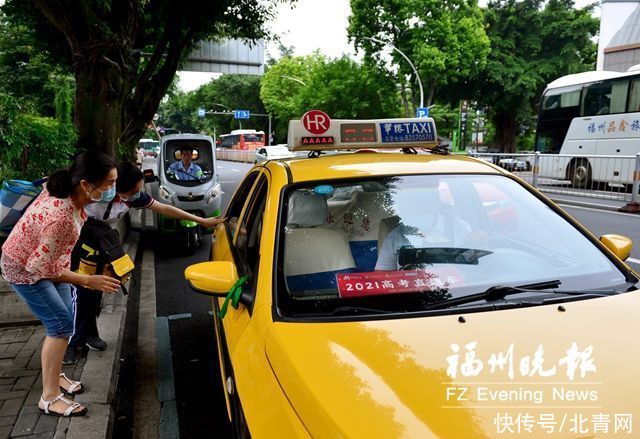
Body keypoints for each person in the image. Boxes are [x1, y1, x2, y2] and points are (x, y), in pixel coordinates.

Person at [63, 161, 225, 364]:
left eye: (138, 191)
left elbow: (164, 208)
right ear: (115, 186)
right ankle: (70, 344)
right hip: (79, 248)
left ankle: (90, 335)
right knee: (80, 295)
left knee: (96, 295)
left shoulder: (131, 198)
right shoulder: (92, 195)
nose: (137, 194)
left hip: (104, 248)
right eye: (133, 191)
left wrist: (201, 221)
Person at [0, 152, 121, 417]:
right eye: (108, 184)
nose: (113, 189)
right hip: (24, 269)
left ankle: (55, 374)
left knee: (64, 322)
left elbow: (50, 263)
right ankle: (50, 396)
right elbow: (40, 269)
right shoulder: (61, 218)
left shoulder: (68, 189)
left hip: (52, 263)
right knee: (60, 325)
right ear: (86, 185)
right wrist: (88, 279)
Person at [375, 187, 472, 271]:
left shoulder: (459, 228)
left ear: (437, 203)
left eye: (424, 203)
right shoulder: (396, 235)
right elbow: (382, 275)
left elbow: (473, 264)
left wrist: (478, 242)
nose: (419, 209)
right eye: (413, 205)